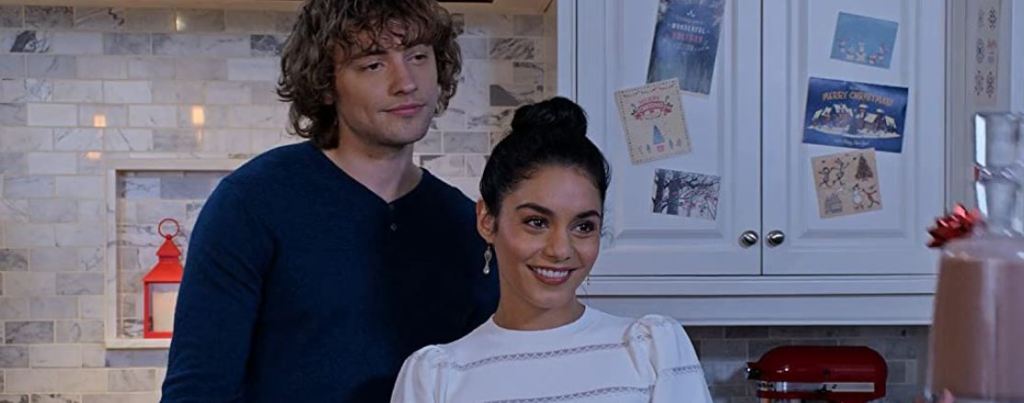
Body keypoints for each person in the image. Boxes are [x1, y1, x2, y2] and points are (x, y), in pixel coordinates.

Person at [161, 0, 498, 401]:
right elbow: (197, 389)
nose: (406, 82)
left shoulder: (464, 223)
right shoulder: (252, 203)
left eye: (418, 56)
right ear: (325, 83)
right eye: (373, 64)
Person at [391, 97, 713, 402]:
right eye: (536, 222)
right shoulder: (437, 376)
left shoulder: (651, 350)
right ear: (487, 221)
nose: (560, 250)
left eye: (583, 226)